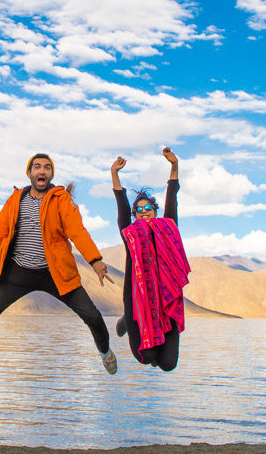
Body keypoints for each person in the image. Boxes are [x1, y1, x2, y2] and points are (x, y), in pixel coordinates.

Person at [0, 153, 118, 374]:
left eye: (47, 168)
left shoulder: (61, 200)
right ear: (29, 173)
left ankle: (105, 352)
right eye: (37, 167)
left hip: (55, 273)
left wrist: (95, 260)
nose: (42, 171)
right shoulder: (15, 201)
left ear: (51, 174)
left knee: (93, 316)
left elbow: (77, 232)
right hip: (17, 272)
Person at [110, 147, 187, 371]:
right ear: (134, 215)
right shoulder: (130, 233)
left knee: (167, 364)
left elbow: (172, 197)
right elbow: (121, 207)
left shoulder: (169, 227)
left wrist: (174, 166)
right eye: (139, 209)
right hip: (137, 299)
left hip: (166, 298)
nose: (144, 211)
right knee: (146, 358)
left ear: (155, 210)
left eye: (148, 208)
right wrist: (115, 174)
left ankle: (133, 323)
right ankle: (128, 318)